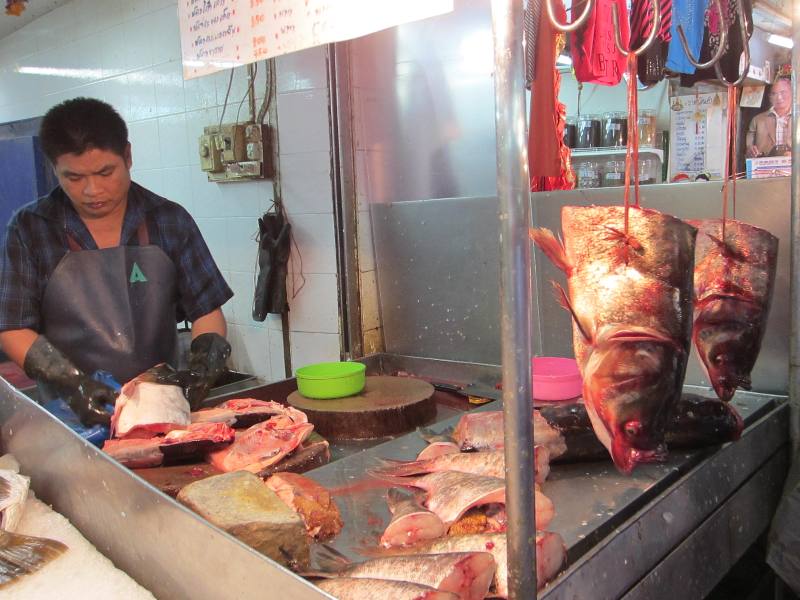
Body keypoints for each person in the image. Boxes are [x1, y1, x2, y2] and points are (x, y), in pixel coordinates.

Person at [0, 98, 234, 426]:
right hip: (71, 416)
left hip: (160, 413)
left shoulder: (169, 220)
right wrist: (74, 383)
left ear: (127, 156)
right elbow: (12, 327)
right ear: (54, 168)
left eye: (105, 172)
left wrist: (200, 372)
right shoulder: (31, 228)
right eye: (74, 177)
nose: (93, 190)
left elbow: (207, 310)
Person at [745, 77, 793, 158]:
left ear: (792, 93)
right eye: (774, 93)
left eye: (783, 92)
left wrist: (795, 156)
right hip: (765, 168)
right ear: (770, 97)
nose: (779, 97)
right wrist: (750, 151)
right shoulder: (757, 120)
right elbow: (747, 152)